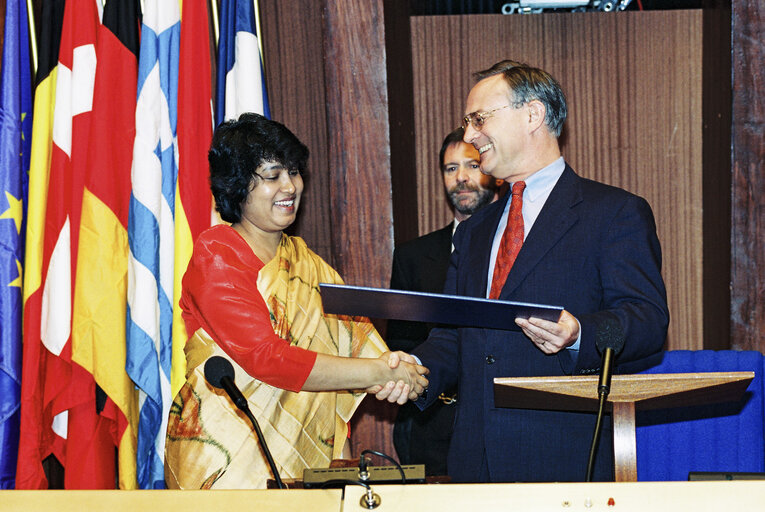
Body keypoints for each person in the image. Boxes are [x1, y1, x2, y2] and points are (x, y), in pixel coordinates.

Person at [388, 60, 669, 483]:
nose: (469, 135)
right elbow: (453, 335)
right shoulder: (473, 231)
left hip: (563, 459)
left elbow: (647, 321)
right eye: (467, 123)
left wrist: (580, 333)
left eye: (479, 119)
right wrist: (411, 370)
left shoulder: (613, 213)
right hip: (472, 462)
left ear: (533, 115)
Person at [164, 113, 428, 489]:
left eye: (294, 172)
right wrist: (382, 373)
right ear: (239, 186)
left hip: (307, 465)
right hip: (226, 460)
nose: (290, 186)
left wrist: (395, 370)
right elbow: (267, 358)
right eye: (272, 176)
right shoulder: (217, 255)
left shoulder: (314, 269)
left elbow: (352, 365)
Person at [387, 127, 500, 475]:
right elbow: (401, 340)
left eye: (472, 165)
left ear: (495, 172)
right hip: (428, 420)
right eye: (451, 169)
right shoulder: (413, 255)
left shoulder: (515, 247)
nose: (462, 178)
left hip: (499, 417)